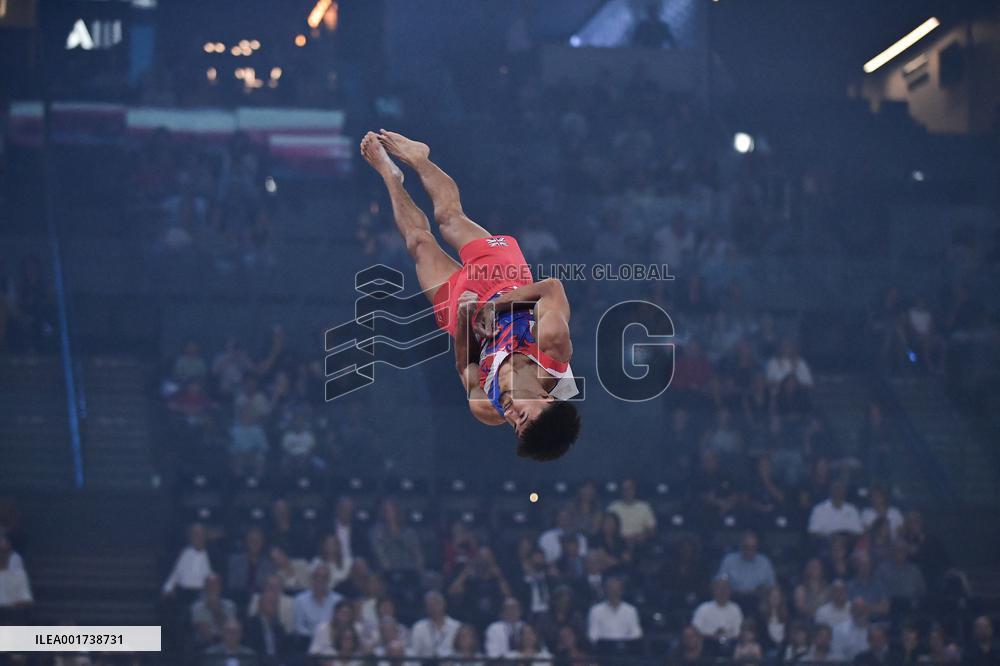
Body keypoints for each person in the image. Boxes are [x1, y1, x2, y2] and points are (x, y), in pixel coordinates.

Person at [360, 131, 580, 461]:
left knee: (419, 245)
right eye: (522, 416)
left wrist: (465, 324)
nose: (510, 416)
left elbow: (465, 368)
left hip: (468, 319)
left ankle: (391, 176)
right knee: (449, 220)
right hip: (503, 281)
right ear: (548, 400)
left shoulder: (487, 410)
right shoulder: (552, 346)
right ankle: (421, 158)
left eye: (514, 427)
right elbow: (551, 288)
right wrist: (493, 307)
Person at [715, 531, 776, 599]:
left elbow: (772, 586)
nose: (749, 551)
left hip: (758, 602)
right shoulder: (729, 561)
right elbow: (719, 582)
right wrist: (726, 584)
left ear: (757, 547)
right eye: (746, 547)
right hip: (733, 600)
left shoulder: (765, 562)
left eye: (753, 548)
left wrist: (763, 590)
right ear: (740, 546)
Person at [586, 577, 642, 648]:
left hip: (626, 650)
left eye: (616, 589)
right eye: (610, 589)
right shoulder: (595, 610)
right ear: (605, 591)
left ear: (621, 591)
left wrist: (624, 644)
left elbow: (636, 633)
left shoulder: (631, 610)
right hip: (603, 650)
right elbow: (593, 634)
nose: (614, 592)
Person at [291, 564, 341, 641]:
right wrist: (317, 637)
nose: (320, 580)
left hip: (333, 642)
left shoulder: (338, 600)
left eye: (324, 577)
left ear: (329, 580)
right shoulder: (300, 600)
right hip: (307, 643)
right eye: (317, 576)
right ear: (312, 579)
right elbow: (299, 627)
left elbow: (340, 625)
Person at [691, 576, 743, 644]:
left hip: (730, 645)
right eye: (719, 588)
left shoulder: (735, 609)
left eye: (725, 588)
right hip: (707, 645)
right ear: (713, 590)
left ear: (730, 590)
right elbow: (695, 630)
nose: (722, 591)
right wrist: (714, 637)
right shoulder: (703, 608)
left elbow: (738, 633)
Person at [410, 590, 461, 658]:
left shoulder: (456, 627)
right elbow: (414, 653)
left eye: (436, 603)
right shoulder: (418, 627)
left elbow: (461, 653)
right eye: (430, 605)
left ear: (444, 604)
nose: (434, 608)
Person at [605, 479, 657, 544]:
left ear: (635, 490)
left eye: (630, 488)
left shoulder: (644, 507)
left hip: (639, 544)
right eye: (624, 489)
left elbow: (652, 530)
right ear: (621, 490)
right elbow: (606, 529)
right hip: (618, 543)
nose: (627, 491)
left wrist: (643, 536)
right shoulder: (613, 507)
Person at [830, 597, 870, 662]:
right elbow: (837, 656)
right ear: (851, 611)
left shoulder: (875, 632)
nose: (860, 612)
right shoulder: (839, 630)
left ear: (867, 611)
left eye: (863, 610)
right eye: (856, 609)